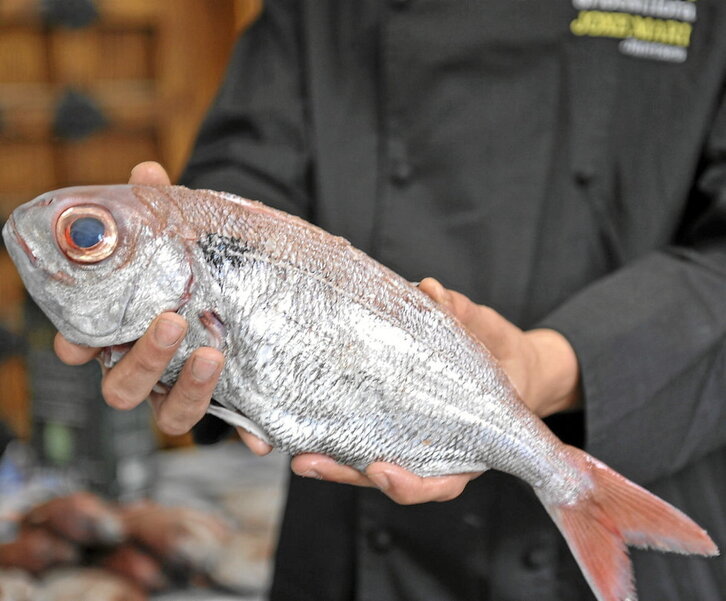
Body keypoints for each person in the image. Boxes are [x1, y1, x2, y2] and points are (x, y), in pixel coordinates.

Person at [56, 2, 726, 600]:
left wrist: (545, 367)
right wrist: (177, 290)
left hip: (639, 493)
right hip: (347, 542)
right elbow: (248, 173)